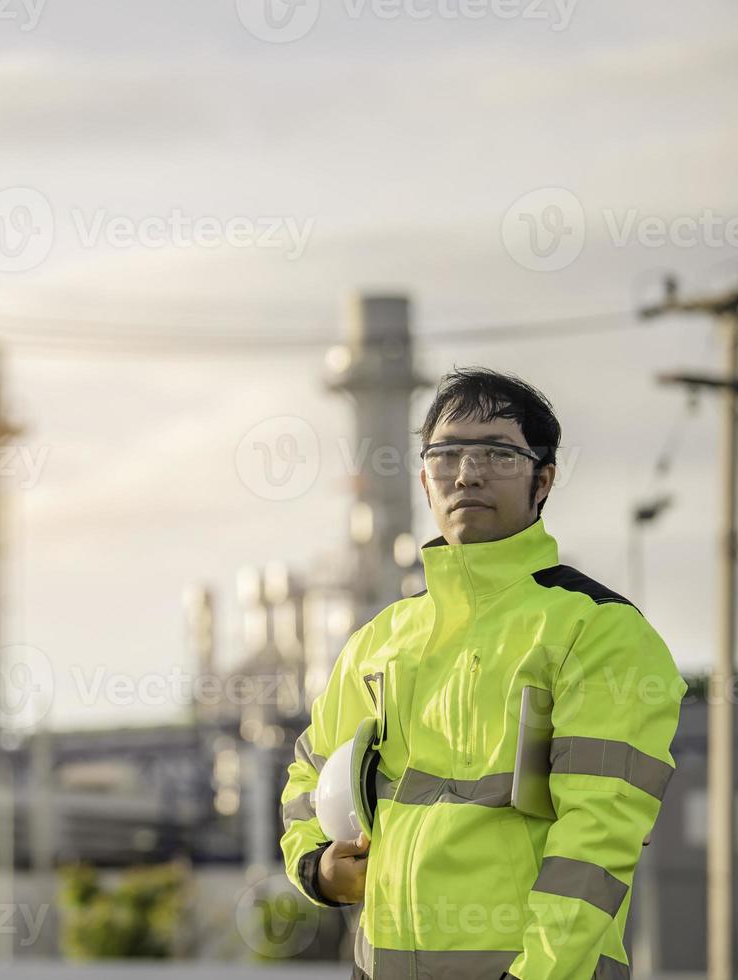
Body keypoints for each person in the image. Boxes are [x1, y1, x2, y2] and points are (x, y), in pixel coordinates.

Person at [279, 367, 685, 980]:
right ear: (424, 477)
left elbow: (597, 837)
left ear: (543, 479)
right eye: (446, 454)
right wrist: (317, 868)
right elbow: (308, 776)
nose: (468, 473)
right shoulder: (380, 641)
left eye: (497, 453)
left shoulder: (597, 629)